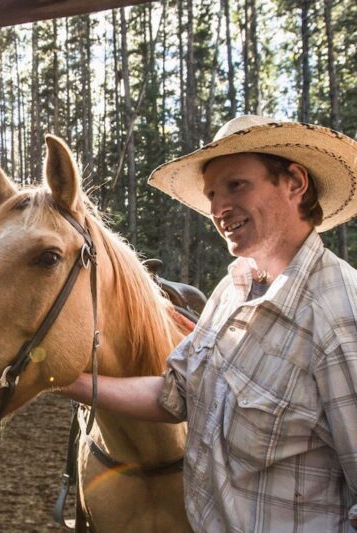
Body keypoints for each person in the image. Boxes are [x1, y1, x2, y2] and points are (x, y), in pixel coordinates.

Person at [59, 115, 357, 532]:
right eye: (212, 194)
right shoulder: (234, 288)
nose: (218, 208)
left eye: (237, 185)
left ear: (294, 182)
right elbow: (177, 394)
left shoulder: (339, 313)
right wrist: (65, 381)